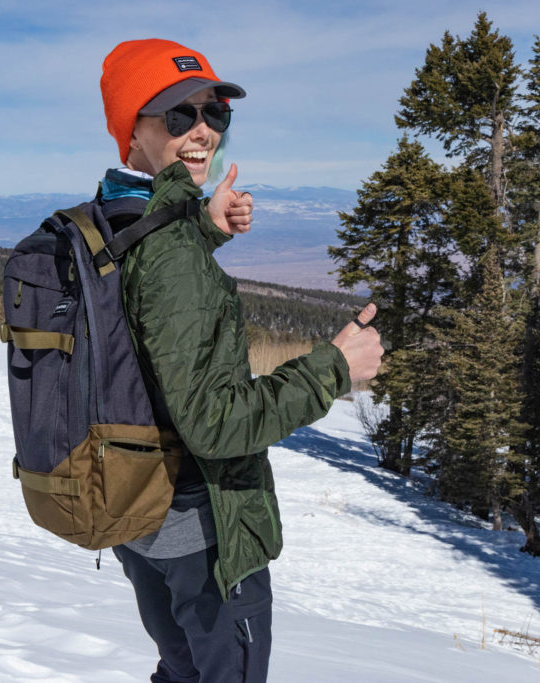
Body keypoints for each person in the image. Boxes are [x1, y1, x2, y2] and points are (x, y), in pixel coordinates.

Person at [96, 38, 384, 682]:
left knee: (181, 672)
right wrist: (333, 366)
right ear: (132, 129)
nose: (202, 131)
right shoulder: (165, 243)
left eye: (214, 113)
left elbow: (146, 304)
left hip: (136, 514)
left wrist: (202, 227)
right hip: (203, 532)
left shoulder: (112, 212)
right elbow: (215, 425)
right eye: (177, 115)